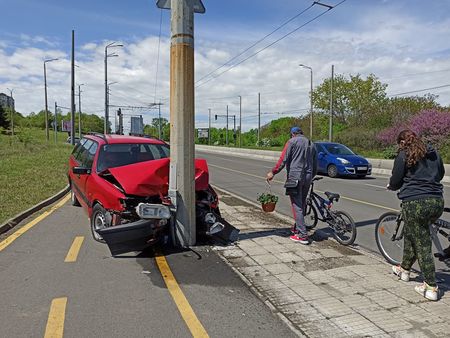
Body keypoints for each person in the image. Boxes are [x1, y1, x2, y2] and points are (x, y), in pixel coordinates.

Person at [387, 129, 445, 301]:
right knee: (412, 234)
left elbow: (396, 180)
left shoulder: (404, 154)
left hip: (415, 202)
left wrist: (391, 185)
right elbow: (440, 174)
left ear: (402, 143)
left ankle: (431, 286)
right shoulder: (434, 153)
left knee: (422, 243)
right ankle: (404, 269)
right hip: (436, 201)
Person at [266, 126, 314, 244]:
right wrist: (311, 176)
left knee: (296, 205)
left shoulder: (292, 142)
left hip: (295, 177)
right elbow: (315, 163)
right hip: (308, 176)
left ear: (293, 134)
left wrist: (273, 172)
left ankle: (302, 235)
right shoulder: (311, 143)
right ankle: (298, 227)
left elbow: (283, 160)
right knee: (301, 203)